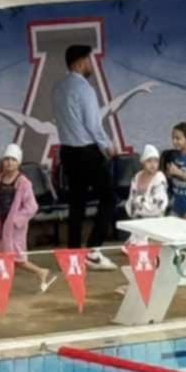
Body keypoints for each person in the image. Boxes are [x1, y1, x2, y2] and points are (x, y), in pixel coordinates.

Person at [52, 44, 119, 271]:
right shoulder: (85, 89)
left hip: (67, 152)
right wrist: (107, 145)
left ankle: (73, 254)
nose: (91, 65)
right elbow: (93, 124)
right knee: (109, 198)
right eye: (89, 61)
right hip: (86, 151)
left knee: (76, 204)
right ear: (80, 63)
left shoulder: (58, 88)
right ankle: (93, 249)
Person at [0, 144, 56, 292]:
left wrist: (16, 220)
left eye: (13, 159)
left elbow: (32, 206)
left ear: (19, 162)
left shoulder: (23, 183)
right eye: (7, 159)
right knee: (12, 259)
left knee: (11, 258)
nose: (9, 162)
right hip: (2, 224)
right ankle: (40, 271)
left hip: (15, 227)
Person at [126, 144, 169, 219]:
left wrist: (138, 202)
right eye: (149, 161)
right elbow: (130, 202)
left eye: (156, 161)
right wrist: (142, 203)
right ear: (143, 162)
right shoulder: (137, 176)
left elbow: (157, 206)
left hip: (155, 220)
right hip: (136, 220)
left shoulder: (160, 178)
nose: (153, 165)